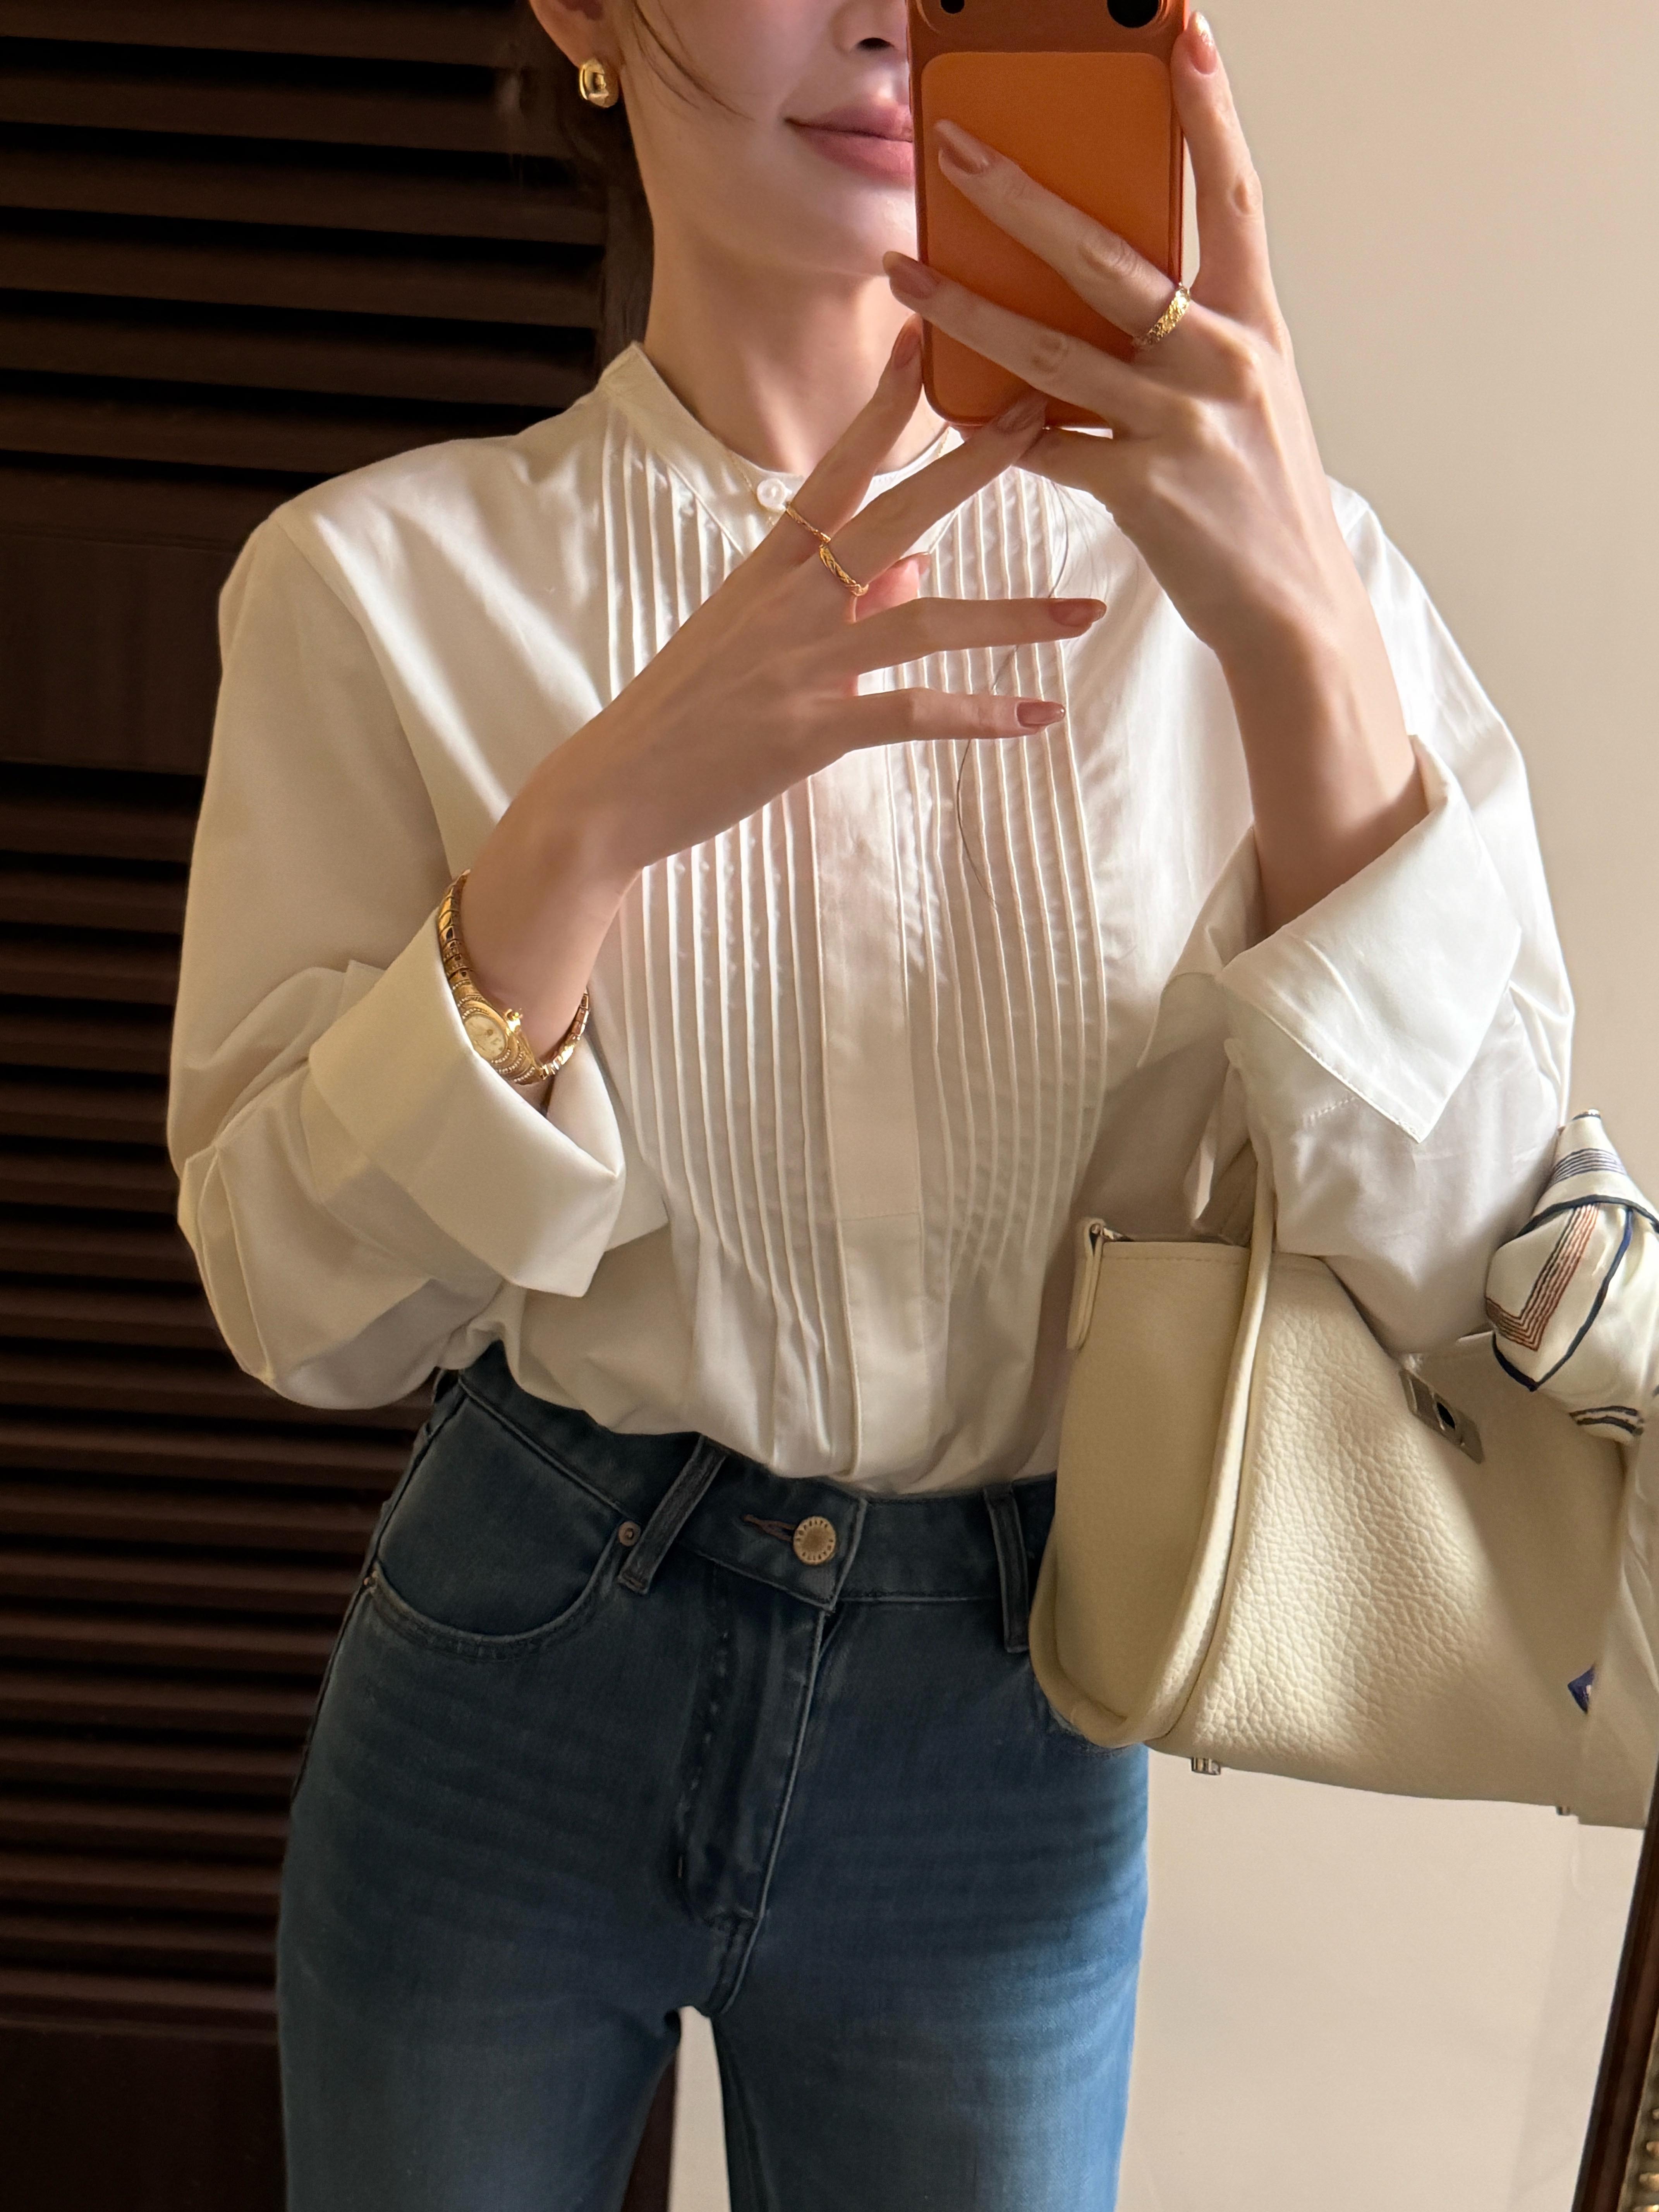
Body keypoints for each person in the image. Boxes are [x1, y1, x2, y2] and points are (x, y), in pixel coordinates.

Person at [166, 4, 1571, 2207]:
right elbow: (300, 1310)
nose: (890, 22)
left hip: (1009, 1718)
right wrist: (582, 835)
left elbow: (1482, 1267)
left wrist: (1299, 634)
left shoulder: (1267, 577)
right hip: (517, 1655)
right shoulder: (381, 585)